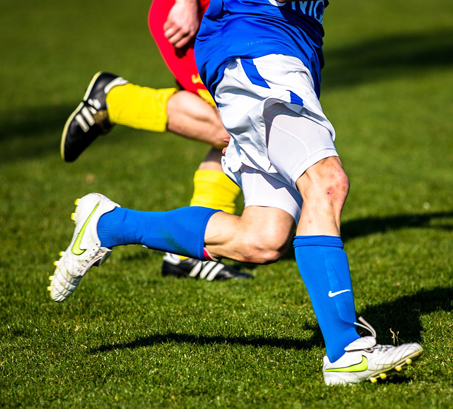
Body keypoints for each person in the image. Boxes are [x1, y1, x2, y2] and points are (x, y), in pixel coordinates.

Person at [49, 0, 423, 386]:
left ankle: (108, 225)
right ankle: (346, 351)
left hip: (288, 52)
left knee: (263, 239)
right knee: (326, 182)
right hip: (257, 45)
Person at [60, 0, 250, 281]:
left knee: (244, 126)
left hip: (234, 19)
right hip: (195, 14)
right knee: (240, 128)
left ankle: (188, 254)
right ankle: (115, 100)